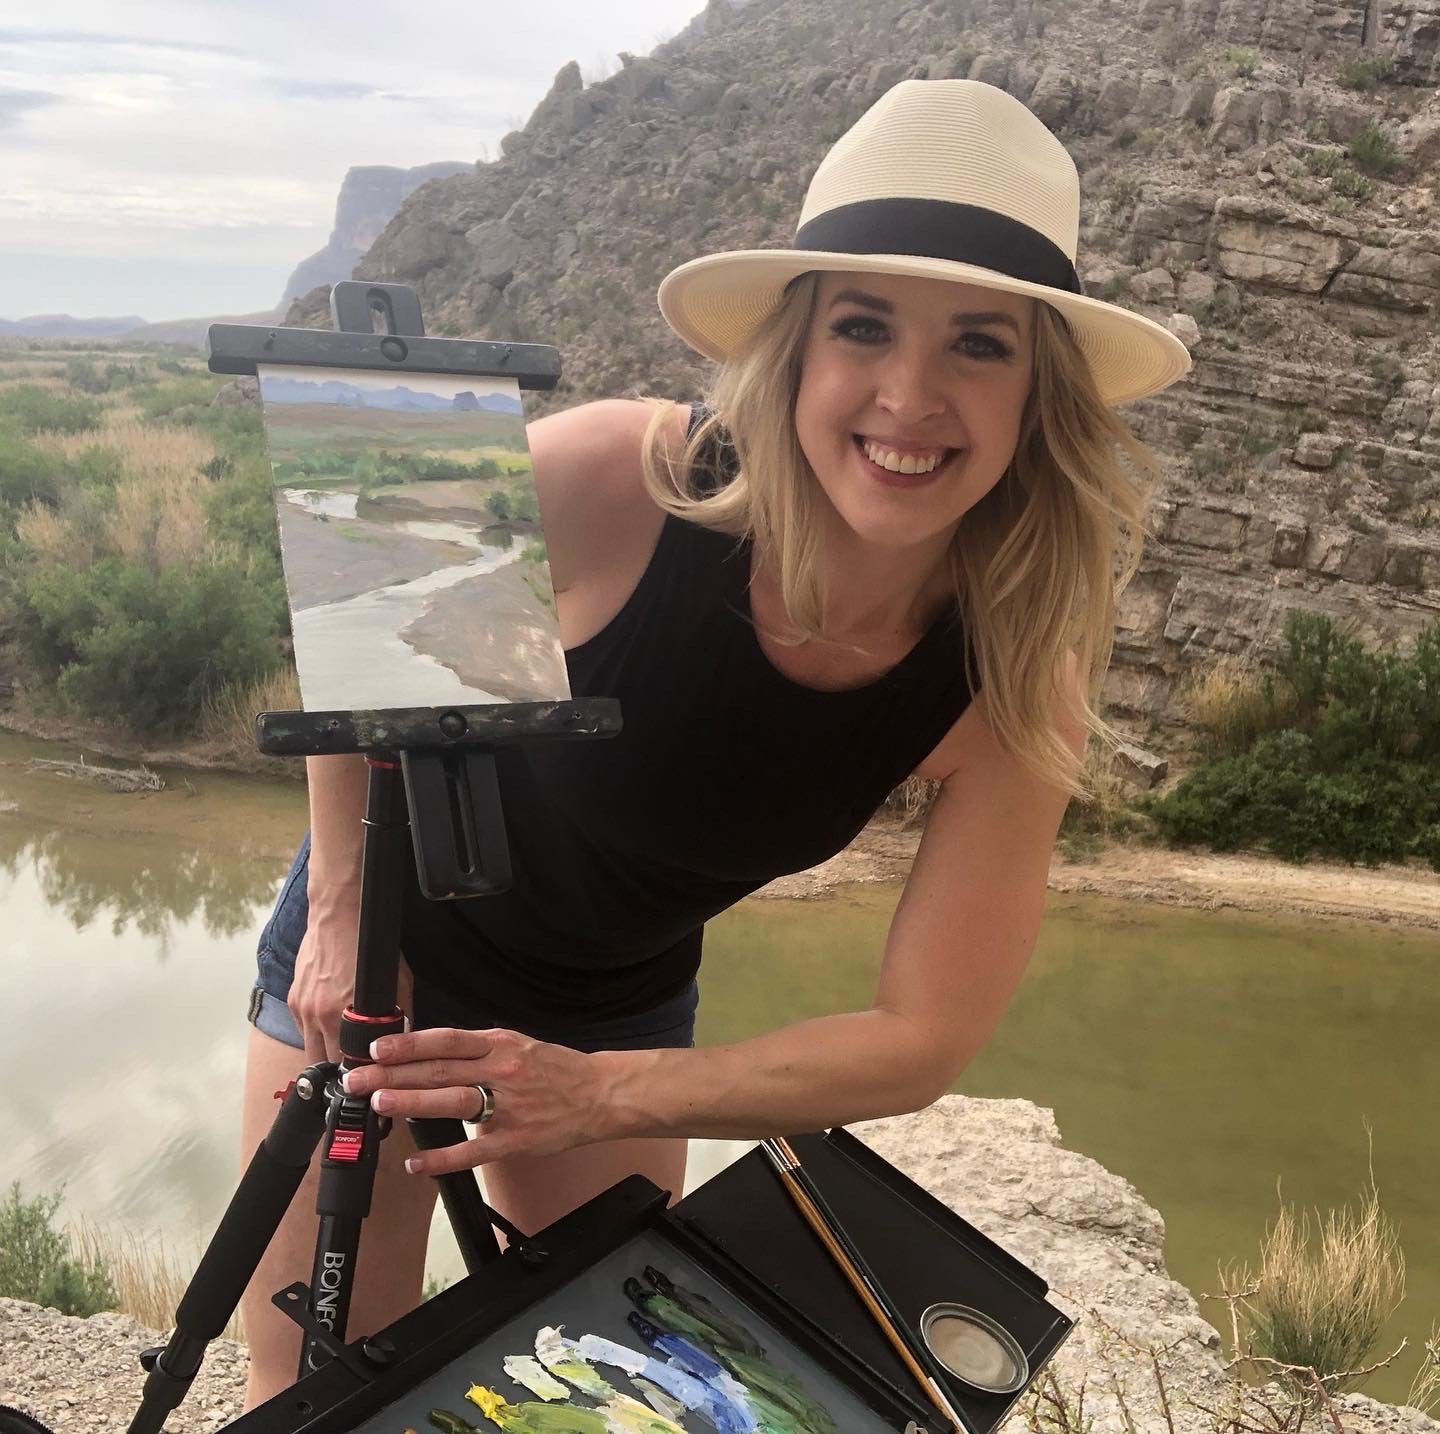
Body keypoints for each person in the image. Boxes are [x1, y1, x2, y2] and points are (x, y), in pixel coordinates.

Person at [238, 78, 1191, 1406]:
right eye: (865, 327)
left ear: (1041, 396)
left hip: (615, 999)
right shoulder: (629, 488)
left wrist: (600, 1089)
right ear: (796, 350)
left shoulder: (1011, 664)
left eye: (980, 344)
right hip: (391, 947)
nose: (910, 396)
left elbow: (921, 1034)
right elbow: (364, 604)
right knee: (314, 1392)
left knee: (608, 1384)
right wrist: (340, 905)